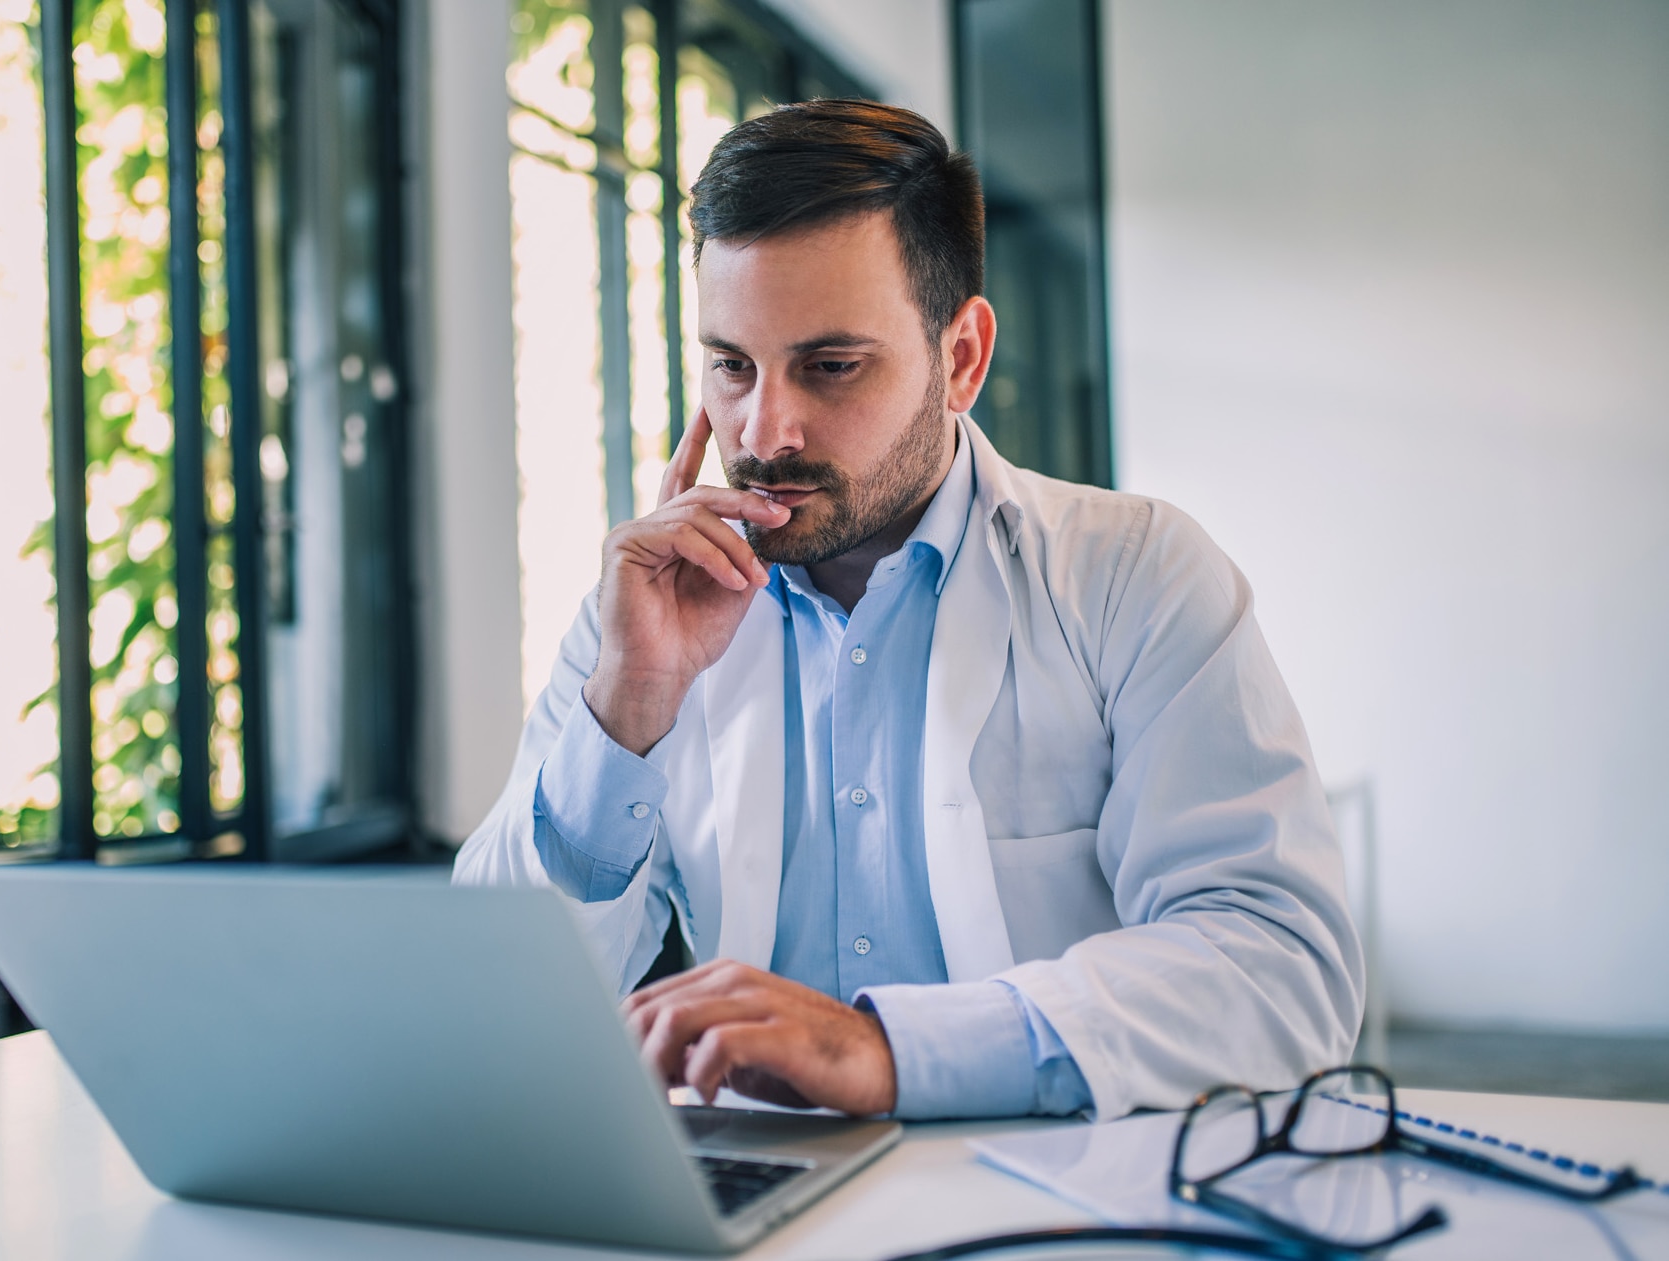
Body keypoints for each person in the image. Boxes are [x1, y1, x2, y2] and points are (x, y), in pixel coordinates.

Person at [455, 100, 1363, 1123]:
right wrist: (626, 712)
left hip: (1053, 1199)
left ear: (962, 359)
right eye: (731, 365)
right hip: (764, 1205)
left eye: (831, 365)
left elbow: (1282, 969)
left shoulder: (1135, 577)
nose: (767, 428)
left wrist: (891, 1051)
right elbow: (486, 1006)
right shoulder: (643, 613)